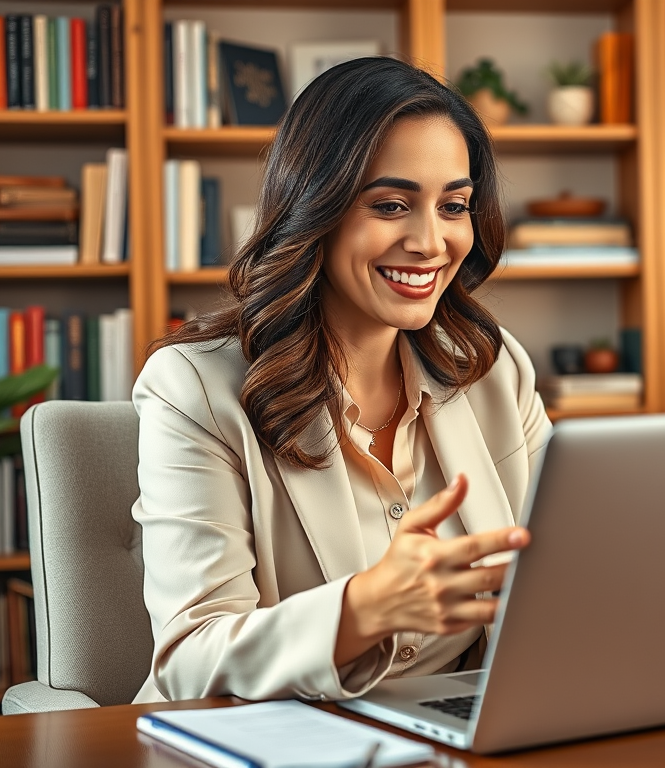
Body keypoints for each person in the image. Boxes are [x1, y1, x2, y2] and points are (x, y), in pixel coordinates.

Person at [131, 56, 552, 704]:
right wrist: (364, 609)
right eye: (391, 204)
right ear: (314, 207)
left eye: (454, 206)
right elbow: (190, 660)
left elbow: (565, 580)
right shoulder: (193, 390)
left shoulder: (495, 371)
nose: (430, 241)